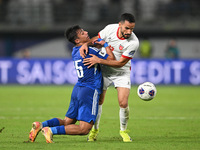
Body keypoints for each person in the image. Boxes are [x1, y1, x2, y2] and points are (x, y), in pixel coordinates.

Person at [28, 25, 115, 143]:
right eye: (82, 32)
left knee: (67, 122)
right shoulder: (90, 51)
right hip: (89, 90)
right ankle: (51, 131)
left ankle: (41, 125)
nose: (86, 32)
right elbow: (111, 59)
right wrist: (104, 44)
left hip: (78, 90)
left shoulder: (75, 51)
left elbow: (87, 45)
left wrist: (90, 43)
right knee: (84, 129)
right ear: (77, 40)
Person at [80, 13, 139, 142]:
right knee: (99, 101)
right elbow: (97, 38)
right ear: (120, 25)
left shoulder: (133, 42)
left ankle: (123, 131)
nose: (129, 32)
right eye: (127, 28)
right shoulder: (110, 28)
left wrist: (98, 60)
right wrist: (86, 44)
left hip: (121, 72)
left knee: (123, 102)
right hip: (104, 71)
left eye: (132, 29)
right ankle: (95, 130)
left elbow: (120, 63)